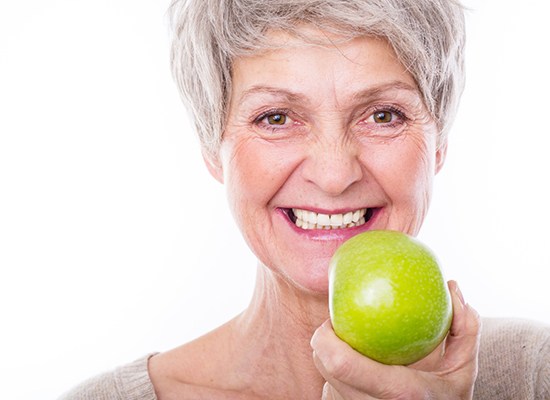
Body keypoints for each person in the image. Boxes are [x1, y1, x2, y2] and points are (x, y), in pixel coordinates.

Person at [59, 0, 550, 399]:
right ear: (214, 147)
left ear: (438, 141)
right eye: (276, 118)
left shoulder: (534, 376)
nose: (335, 176)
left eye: (383, 115)